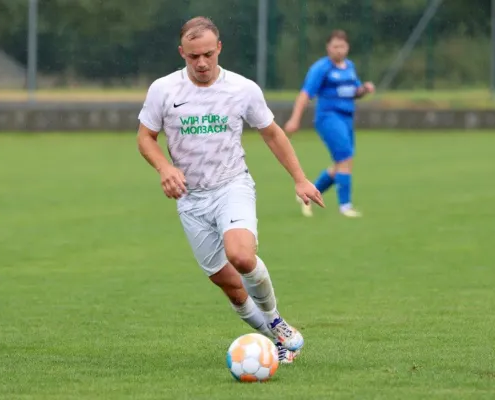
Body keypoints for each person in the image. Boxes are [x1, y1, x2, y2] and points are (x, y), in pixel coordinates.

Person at [136, 16, 324, 364]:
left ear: (219, 48)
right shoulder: (163, 90)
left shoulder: (243, 89)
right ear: (182, 53)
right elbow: (145, 137)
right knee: (230, 285)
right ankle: (274, 340)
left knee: (240, 256)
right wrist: (165, 168)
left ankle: (276, 322)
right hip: (190, 199)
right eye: (193, 57)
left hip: (231, 185)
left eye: (208, 53)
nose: (202, 63)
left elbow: (271, 133)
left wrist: (299, 178)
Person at [285, 29, 375, 218]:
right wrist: (295, 119)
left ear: (348, 47)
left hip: (347, 118)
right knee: (345, 160)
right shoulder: (321, 68)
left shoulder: (349, 66)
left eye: (342, 46)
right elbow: (305, 94)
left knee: (341, 164)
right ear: (328, 47)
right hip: (328, 118)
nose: (339, 50)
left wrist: (364, 89)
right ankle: (345, 206)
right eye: (335, 46)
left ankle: (308, 193)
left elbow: (354, 92)